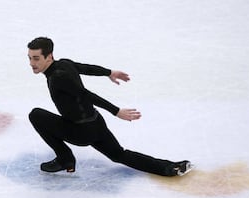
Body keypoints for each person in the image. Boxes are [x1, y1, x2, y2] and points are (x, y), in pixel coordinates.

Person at [27, 37, 191, 176]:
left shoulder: (57, 77)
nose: (31, 63)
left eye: (36, 58)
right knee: (119, 154)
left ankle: (65, 159)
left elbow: (85, 94)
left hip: (80, 132)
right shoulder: (64, 64)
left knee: (36, 115)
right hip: (96, 124)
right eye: (29, 58)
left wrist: (116, 111)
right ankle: (171, 168)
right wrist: (109, 72)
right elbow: (86, 68)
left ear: (49, 57)